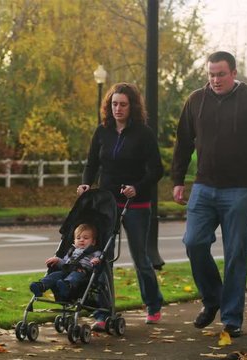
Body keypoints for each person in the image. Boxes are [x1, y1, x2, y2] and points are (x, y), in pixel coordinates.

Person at [171, 51, 247, 338]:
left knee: (235, 255)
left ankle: (232, 319)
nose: (215, 80)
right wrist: (178, 180)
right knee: (193, 242)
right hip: (203, 187)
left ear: (233, 72)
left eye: (220, 74)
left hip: (240, 190)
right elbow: (183, 143)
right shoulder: (196, 100)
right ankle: (213, 299)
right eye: (211, 74)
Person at [77, 82, 164, 329]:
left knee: (141, 258)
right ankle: (103, 312)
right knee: (101, 258)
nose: (118, 108)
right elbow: (91, 164)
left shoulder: (144, 134)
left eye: (123, 104)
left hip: (136, 204)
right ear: (109, 105)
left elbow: (156, 170)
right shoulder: (102, 131)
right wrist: (86, 184)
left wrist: (137, 186)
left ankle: (153, 303)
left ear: (132, 106)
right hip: (106, 203)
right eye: (114, 104)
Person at [29, 223, 102, 301]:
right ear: (74, 241)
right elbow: (64, 262)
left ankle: (67, 286)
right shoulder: (72, 251)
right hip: (66, 270)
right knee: (54, 275)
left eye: (86, 238)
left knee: (74, 276)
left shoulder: (95, 251)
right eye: (78, 238)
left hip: (81, 272)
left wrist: (96, 260)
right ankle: (41, 285)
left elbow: (99, 259)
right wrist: (57, 260)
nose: (81, 240)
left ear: (93, 242)